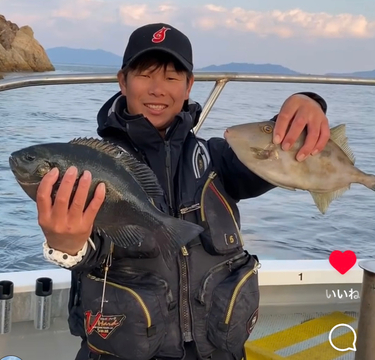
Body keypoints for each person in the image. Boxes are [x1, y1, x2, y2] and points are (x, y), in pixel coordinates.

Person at [37, 24, 330, 360]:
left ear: (190, 86)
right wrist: (65, 246)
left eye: (172, 77)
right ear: (123, 81)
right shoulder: (95, 167)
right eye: (145, 75)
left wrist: (307, 102)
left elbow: (275, 151)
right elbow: (86, 253)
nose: (158, 89)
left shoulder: (219, 159)